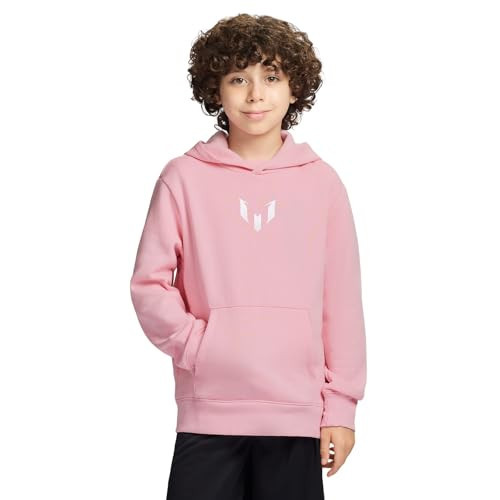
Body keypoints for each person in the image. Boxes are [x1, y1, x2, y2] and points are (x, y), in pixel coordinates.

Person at [129, 13, 367, 500]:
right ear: (215, 89)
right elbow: (149, 285)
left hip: (297, 415)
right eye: (238, 78)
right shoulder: (183, 178)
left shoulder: (322, 184)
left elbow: (341, 304)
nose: (256, 94)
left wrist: (341, 407)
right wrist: (201, 346)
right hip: (209, 414)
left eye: (271, 77)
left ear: (295, 88)